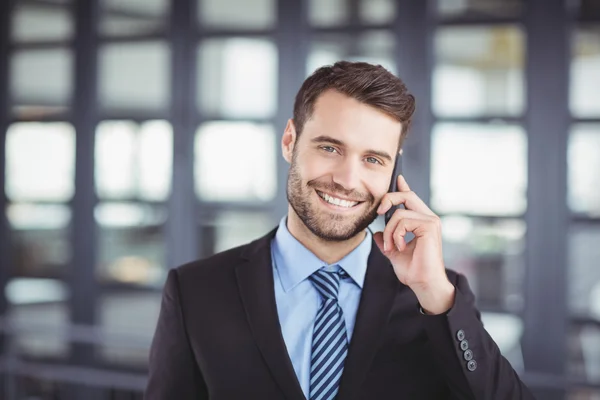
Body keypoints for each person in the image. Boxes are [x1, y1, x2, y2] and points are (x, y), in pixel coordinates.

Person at [145, 61, 535, 400]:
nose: (348, 180)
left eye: (372, 159)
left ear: (393, 171)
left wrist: (434, 295)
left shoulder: (435, 297)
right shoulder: (195, 290)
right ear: (289, 141)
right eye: (330, 148)